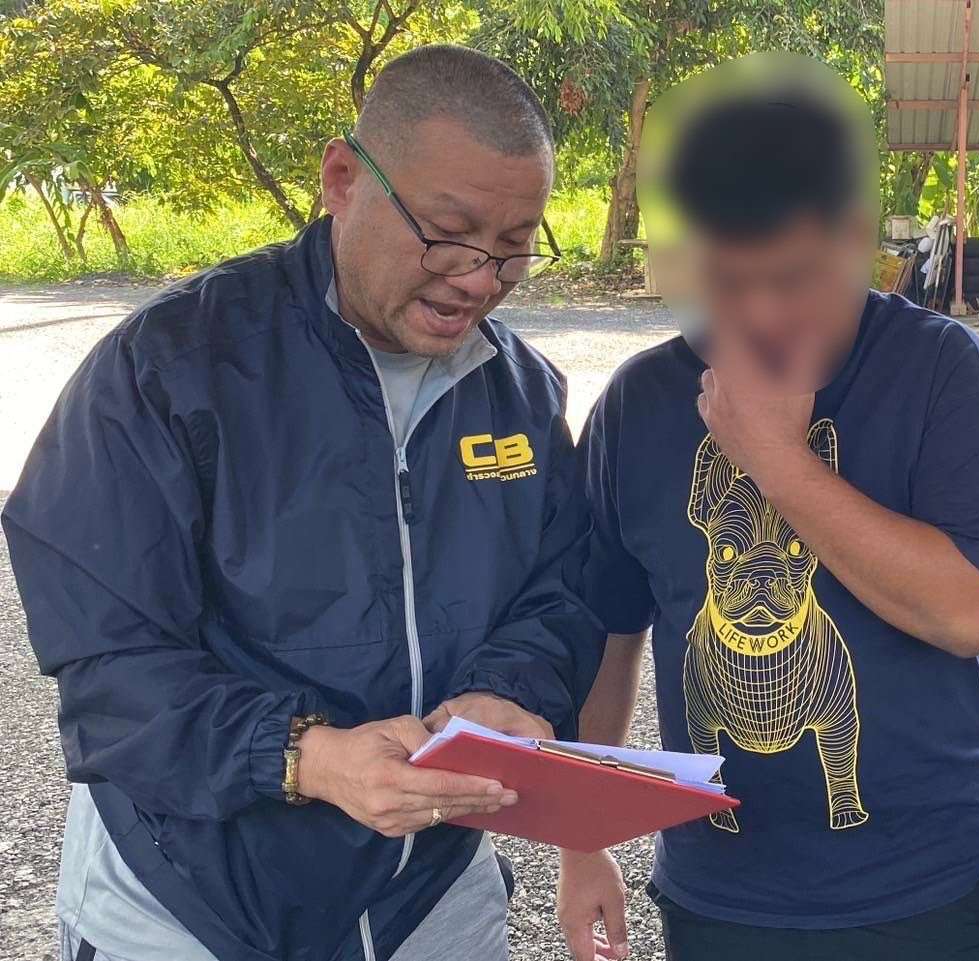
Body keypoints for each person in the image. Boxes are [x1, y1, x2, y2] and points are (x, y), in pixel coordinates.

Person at [2, 45, 603, 961]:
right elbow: (109, 665)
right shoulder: (167, 369)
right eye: (449, 234)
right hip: (185, 904)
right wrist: (306, 757)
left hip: (430, 900)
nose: (481, 279)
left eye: (516, 246)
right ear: (342, 180)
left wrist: (506, 692)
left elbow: (557, 595)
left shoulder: (519, 391)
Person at [555, 55, 979, 961]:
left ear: (855, 237)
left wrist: (775, 458)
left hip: (928, 883)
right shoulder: (640, 402)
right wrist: (583, 841)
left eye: (791, 276)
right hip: (722, 892)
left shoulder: (937, 370)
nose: (758, 312)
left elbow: (968, 612)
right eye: (724, 281)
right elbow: (608, 636)